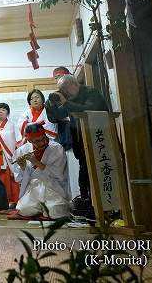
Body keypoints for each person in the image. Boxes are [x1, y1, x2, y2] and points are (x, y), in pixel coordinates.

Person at [47, 74, 109, 218]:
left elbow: (89, 110)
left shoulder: (91, 93)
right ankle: (87, 203)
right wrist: (50, 104)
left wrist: (65, 102)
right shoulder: (70, 98)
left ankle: (106, 208)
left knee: (100, 172)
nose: (65, 94)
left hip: (99, 140)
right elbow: (55, 117)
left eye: (65, 90)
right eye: (62, 91)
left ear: (73, 85)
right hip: (81, 142)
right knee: (84, 170)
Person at [11, 123, 71, 219]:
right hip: (33, 188)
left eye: (43, 138)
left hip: (53, 188)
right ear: (29, 140)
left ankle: (45, 208)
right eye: (37, 141)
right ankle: (40, 209)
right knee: (23, 210)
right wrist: (22, 167)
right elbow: (19, 179)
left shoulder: (56, 148)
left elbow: (58, 173)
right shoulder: (22, 150)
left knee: (54, 211)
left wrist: (36, 162)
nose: (42, 143)